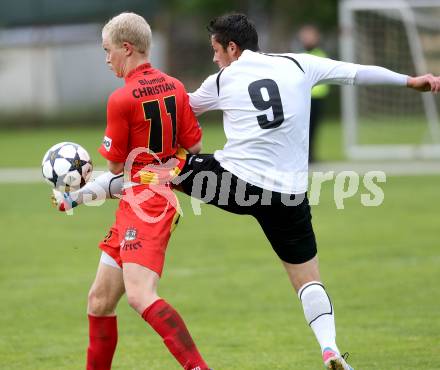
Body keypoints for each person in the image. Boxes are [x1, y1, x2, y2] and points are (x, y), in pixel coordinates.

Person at [54, 12, 440, 370]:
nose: (215, 60)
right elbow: (355, 73)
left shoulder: (224, 78)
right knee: (308, 279)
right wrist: (409, 81)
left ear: (232, 49)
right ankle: (330, 348)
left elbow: (173, 107)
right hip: (289, 196)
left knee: (153, 171)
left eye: (216, 52)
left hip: (235, 183)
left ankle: (77, 195)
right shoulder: (299, 64)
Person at [54, 12, 211, 370]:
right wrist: (76, 196)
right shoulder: (175, 86)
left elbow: (113, 169)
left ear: (126, 48)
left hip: (147, 204)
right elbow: (196, 144)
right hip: (145, 199)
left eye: (107, 51)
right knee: (99, 300)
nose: (106, 59)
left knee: (140, 296)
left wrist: (79, 190)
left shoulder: (121, 99)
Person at [298, 24, 330, 162]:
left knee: (314, 129)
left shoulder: (321, 55)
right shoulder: (298, 56)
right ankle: (304, 156)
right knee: (303, 130)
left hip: (317, 99)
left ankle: (311, 155)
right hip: (303, 99)